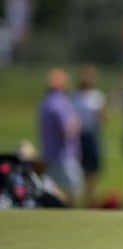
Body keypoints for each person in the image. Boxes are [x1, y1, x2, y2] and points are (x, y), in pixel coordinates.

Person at [38, 68, 83, 206]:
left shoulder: (45, 102)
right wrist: (76, 124)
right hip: (64, 156)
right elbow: (66, 130)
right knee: (71, 193)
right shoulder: (60, 103)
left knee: (51, 191)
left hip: (48, 154)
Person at [71, 65, 106, 207]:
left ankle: (89, 200)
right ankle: (74, 200)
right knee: (77, 170)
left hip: (92, 135)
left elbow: (103, 118)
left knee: (92, 171)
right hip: (77, 136)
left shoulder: (97, 96)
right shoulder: (74, 96)